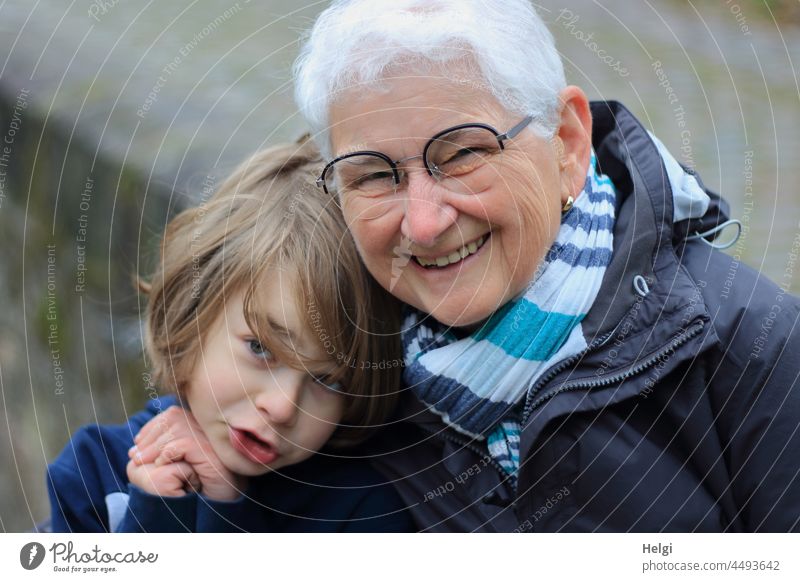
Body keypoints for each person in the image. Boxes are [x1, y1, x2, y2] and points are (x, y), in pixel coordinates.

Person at [293, 0, 800, 531]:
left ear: (567, 145)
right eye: (373, 175)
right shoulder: (345, 355)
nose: (423, 225)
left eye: (464, 153)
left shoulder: (753, 349)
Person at [46, 141, 413, 532]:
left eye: (329, 380)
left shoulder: (366, 514)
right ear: (191, 312)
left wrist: (223, 508)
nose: (283, 407)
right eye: (261, 349)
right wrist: (159, 511)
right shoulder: (92, 473)